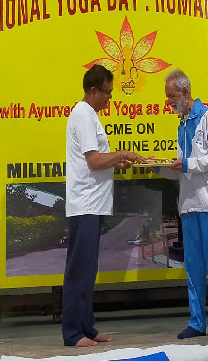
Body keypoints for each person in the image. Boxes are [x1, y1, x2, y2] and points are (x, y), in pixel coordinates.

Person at [62, 64, 146, 347]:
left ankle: (87, 325)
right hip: (85, 205)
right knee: (79, 271)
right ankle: (72, 332)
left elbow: (98, 160)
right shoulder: (83, 115)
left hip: (94, 204)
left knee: (88, 271)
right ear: (93, 90)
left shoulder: (91, 115)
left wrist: (116, 163)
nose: (110, 98)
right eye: (107, 93)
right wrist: (122, 153)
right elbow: (94, 160)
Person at [160, 69, 208, 339]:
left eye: (171, 96)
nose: (168, 102)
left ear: (185, 92)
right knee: (193, 267)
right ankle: (195, 321)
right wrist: (161, 167)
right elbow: (185, 165)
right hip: (189, 204)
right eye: (167, 97)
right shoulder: (181, 124)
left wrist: (187, 164)